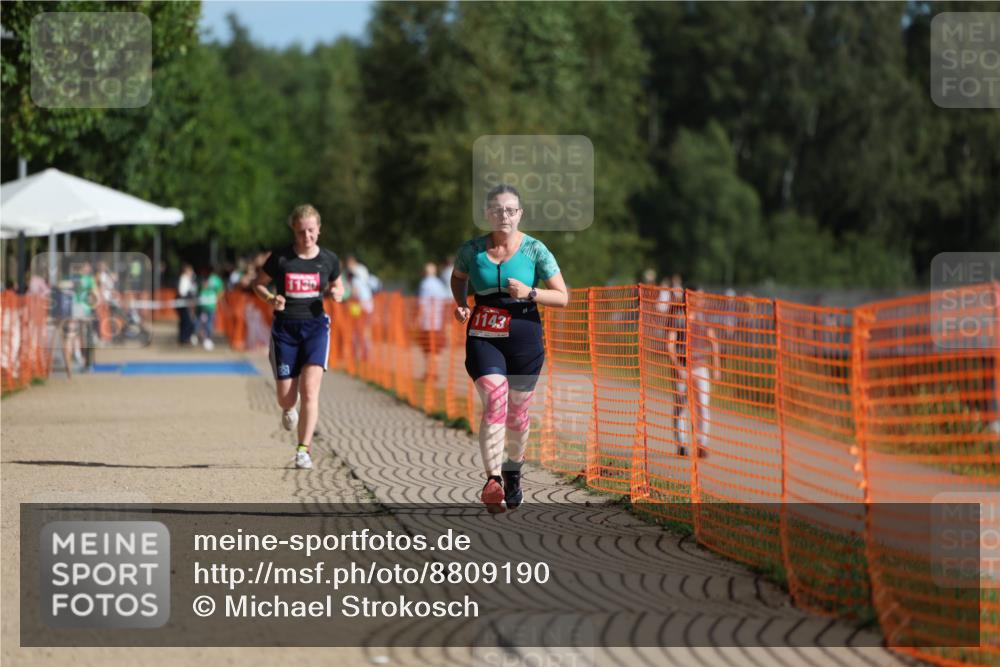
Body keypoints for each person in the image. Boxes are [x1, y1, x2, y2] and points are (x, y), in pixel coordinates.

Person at [451, 184, 569, 513]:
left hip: (525, 335)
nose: (504, 216)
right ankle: (492, 481)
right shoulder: (471, 250)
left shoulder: (535, 250)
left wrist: (531, 293)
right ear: (487, 214)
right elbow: (458, 277)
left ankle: (513, 471)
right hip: (484, 332)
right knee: (495, 399)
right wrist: (460, 303)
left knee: (518, 412)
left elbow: (562, 296)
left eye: (511, 210)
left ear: (520, 214)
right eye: (498, 210)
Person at [253, 204, 344, 470]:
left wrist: (339, 293)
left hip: (316, 328)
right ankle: (287, 408)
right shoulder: (281, 258)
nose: (307, 237)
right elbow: (258, 284)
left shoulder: (328, 259)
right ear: (294, 230)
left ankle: (303, 450)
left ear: (319, 229)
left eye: (312, 231)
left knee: (310, 391)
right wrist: (271, 297)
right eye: (302, 231)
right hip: (285, 330)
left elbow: (338, 285)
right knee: (286, 397)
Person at [667, 291, 721, 458]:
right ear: (688, 297)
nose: (701, 299)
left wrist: (716, 367)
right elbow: (670, 344)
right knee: (681, 406)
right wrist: (677, 367)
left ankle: (701, 443)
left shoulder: (703, 318)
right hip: (682, 367)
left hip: (700, 366)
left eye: (702, 297)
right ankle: (682, 444)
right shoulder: (678, 318)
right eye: (697, 296)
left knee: (702, 406)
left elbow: (713, 342)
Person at [417, 261, 450, 379]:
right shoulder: (439, 284)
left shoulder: (425, 284)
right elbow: (446, 303)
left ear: (424, 272)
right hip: (438, 322)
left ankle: (429, 372)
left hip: (427, 322)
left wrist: (418, 320)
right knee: (436, 349)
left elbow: (422, 304)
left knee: (427, 349)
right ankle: (434, 372)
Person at [197, 266, 225, 350]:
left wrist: (216, 299)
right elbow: (200, 290)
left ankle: (207, 338)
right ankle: (203, 338)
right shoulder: (203, 279)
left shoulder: (216, 280)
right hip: (202, 304)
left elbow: (221, 291)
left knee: (208, 323)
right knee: (202, 322)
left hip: (210, 305)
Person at [176, 263, 198, 346]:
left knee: (187, 321)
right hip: (184, 303)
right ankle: (184, 338)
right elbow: (182, 292)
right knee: (186, 321)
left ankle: (185, 338)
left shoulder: (189, 279)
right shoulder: (184, 278)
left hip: (187, 303)